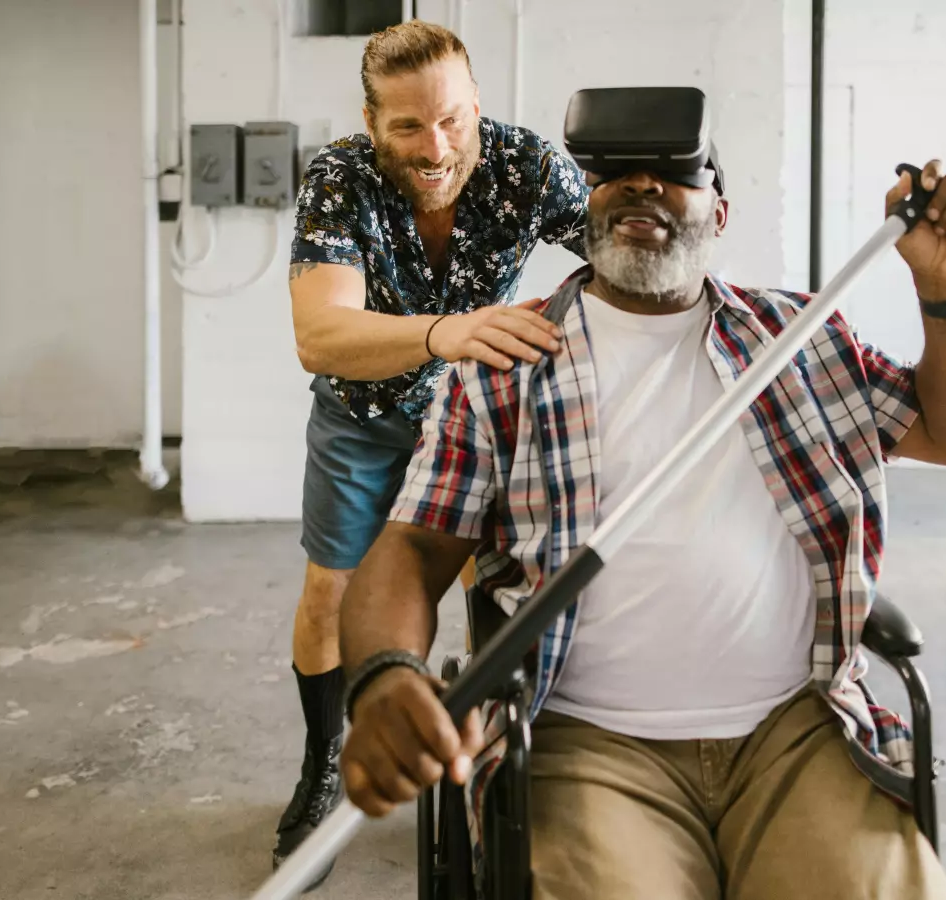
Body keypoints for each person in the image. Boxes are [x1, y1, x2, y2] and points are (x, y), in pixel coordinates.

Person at [336, 126, 946, 898]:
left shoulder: (801, 338)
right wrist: (384, 677)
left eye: (677, 169)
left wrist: (945, 295)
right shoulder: (504, 365)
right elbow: (413, 547)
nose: (641, 181)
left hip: (796, 729)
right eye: (614, 169)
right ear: (586, 208)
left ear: (719, 214)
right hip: (588, 745)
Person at [278, 20, 588, 877]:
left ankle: (487, 772)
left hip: (474, 422)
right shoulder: (340, 178)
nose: (435, 143)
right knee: (329, 596)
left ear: (477, 107)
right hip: (362, 418)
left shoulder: (527, 167)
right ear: (373, 121)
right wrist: (448, 332)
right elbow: (320, 332)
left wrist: (696, 198)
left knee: (490, 597)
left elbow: (625, 248)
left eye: (451, 119)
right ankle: (320, 768)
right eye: (409, 125)